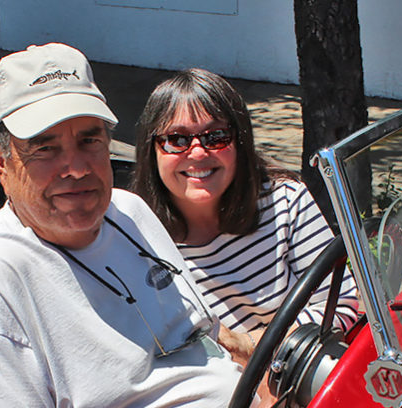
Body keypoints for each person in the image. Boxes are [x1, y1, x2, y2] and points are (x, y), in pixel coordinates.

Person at [0, 43, 284, 408]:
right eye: (45, 148)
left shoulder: (129, 212)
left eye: (89, 140)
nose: (75, 166)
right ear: (0, 160)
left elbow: (208, 334)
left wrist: (268, 396)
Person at [132, 68, 358, 353]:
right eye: (177, 139)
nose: (199, 152)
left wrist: (248, 344)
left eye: (216, 136)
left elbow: (342, 302)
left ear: (239, 141)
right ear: (151, 149)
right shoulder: (134, 241)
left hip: (295, 379)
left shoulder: (285, 201)